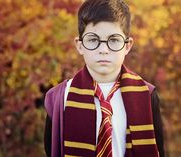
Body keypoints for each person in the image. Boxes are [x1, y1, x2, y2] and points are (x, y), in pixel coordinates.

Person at [44, 0, 164, 157]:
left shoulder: (147, 95)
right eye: (93, 40)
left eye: (113, 40)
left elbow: (159, 151)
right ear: (79, 45)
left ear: (127, 45)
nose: (103, 50)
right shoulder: (59, 98)